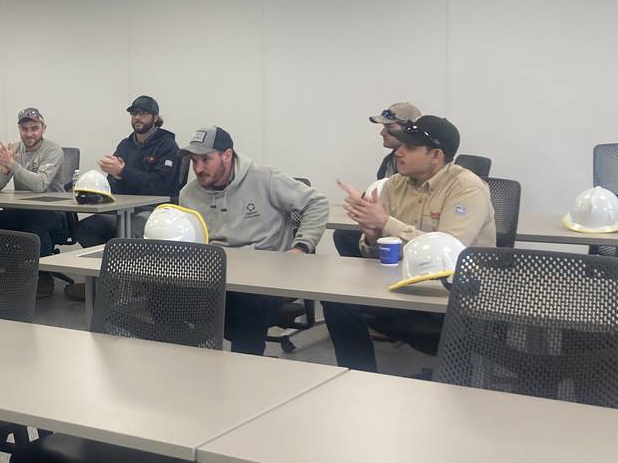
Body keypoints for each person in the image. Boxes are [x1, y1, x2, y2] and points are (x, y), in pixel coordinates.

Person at [323, 115, 496, 373]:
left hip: (456, 293)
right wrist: (372, 235)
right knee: (337, 301)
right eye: (400, 145)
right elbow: (379, 254)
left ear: (436, 155)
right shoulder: (394, 185)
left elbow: (449, 251)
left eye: (410, 147)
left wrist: (386, 221)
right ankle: (360, 376)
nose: (399, 152)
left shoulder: (467, 188)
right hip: (405, 283)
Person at [178, 127, 328, 354]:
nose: (198, 168)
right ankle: (188, 363)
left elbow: (316, 203)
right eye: (193, 160)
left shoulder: (265, 178)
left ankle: (245, 372)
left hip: (266, 275)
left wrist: (301, 248)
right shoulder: (188, 194)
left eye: (206, 160)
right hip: (216, 272)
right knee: (162, 295)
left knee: (248, 304)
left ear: (227, 155)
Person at [65, 95, 180, 301]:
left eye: (143, 113)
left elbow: (160, 186)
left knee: (125, 235)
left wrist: (123, 172)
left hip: (155, 212)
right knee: (85, 228)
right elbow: (114, 184)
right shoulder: (126, 145)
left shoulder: (168, 146)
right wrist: (115, 175)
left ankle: (126, 286)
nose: (138, 118)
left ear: (155, 117)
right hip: (124, 209)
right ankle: (108, 284)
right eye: (134, 113)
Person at [0, 107, 67, 297]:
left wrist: (12, 164)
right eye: (25, 129)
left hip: (54, 211)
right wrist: (4, 169)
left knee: (35, 226)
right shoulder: (14, 149)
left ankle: (44, 275)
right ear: (19, 129)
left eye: (34, 128)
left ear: (43, 128)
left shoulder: (53, 150)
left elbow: (40, 184)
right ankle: (7, 272)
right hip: (23, 209)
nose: (30, 133)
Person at [334, 101, 422, 258]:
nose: (382, 133)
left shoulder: (423, 170)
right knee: (344, 235)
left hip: (415, 238)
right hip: (391, 230)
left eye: (390, 129)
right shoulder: (389, 162)